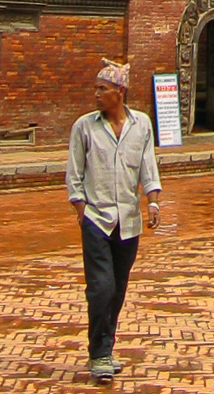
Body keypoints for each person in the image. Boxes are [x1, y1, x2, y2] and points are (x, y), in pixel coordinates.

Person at [66, 59, 162, 385]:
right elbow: (74, 174)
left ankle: (107, 346)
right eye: (95, 88)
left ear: (119, 93)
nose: (96, 94)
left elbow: (147, 167)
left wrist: (152, 202)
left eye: (102, 89)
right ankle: (99, 354)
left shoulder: (142, 125)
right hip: (96, 218)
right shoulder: (84, 127)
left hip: (129, 221)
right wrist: (81, 210)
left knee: (118, 289)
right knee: (101, 287)